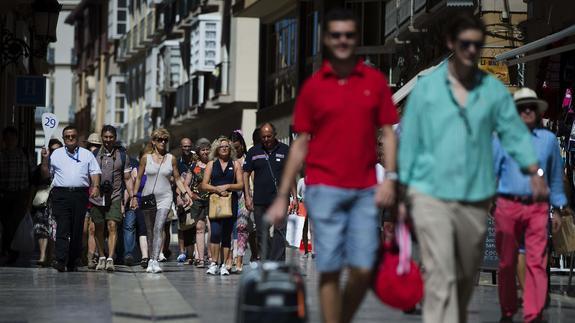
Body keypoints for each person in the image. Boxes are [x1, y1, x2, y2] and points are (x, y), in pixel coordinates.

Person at [398, 14, 548, 323]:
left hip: (473, 196)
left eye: (477, 45)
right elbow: (410, 140)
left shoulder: (491, 92)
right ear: (452, 44)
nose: (470, 50)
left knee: (465, 273)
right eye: (464, 43)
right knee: (440, 268)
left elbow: (513, 135)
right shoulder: (428, 90)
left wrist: (533, 171)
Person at [267, 8, 398, 323]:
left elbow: (389, 134)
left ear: (356, 39)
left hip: (366, 189)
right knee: (329, 267)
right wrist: (283, 194)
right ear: (326, 39)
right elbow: (300, 144)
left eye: (349, 35)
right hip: (323, 189)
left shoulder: (374, 82)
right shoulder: (314, 87)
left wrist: (391, 177)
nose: (343, 41)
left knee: (364, 267)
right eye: (336, 35)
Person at [493, 87, 565, 323]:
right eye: (521, 107)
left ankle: (533, 313)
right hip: (507, 205)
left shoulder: (548, 140)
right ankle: (508, 308)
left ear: (536, 110)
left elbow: (555, 177)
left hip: (537, 208)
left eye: (531, 106)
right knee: (506, 263)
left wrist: (559, 208)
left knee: (536, 261)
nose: (527, 110)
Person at [40, 125, 102, 272]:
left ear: (77, 137)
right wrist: (44, 159)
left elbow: (95, 172)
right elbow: (45, 175)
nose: (70, 139)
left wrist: (96, 187)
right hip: (61, 194)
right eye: (67, 137)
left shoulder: (87, 154)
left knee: (77, 229)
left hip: (80, 195)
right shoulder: (56, 154)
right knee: (62, 227)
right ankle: (60, 260)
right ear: (63, 138)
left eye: (73, 136)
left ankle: (73, 260)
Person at [131, 128, 192, 273]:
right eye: (160, 139)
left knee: (159, 226)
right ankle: (151, 258)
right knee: (150, 230)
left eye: (165, 140)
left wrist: (185, 193)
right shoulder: (146, 158)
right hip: (148, 197)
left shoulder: (172, 158)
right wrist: (134, 196)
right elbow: (139, 178)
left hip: (165, 197)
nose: (163, 142)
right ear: (153, 141)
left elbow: (177, 178)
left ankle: (155, 260)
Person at [243, 123, 295, 261]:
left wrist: (295, 197)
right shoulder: (254, 152)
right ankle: (266, 260)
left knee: (280, 230)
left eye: (269, 136)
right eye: (263, 137)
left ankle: (278, 261)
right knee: (262, 232)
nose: (266, 139)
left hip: (281, 198)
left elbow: (290, 174)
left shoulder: (285, 150)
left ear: (275, 134)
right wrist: (247, 196)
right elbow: (245, 174)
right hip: (260, 200)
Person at [90, 125, 133, 272]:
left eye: (111, 137)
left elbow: (127, 178)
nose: (108, 140)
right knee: (99, 228)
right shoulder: (94, 155)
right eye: (106, 137)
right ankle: (101, 256)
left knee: (112, 225)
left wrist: (132, 196)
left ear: (115, 138)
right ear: (102, 137)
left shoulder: (122, 156)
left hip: (114, 196)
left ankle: (110, 258)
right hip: (97, 198)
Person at [200, 136, 244, 276]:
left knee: (227, 235)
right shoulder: (211, 164)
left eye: (226, 146)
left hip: (231, 202)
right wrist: (217, 189)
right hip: (216, 203)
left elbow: (241, 184)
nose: (224, 148)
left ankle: (224, 264)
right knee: (215, 232)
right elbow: (204, 184)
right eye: (221, 146)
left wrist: (229, 186)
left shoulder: (235, 164)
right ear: (216, 150)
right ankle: (214, 263)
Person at [0, 126, 36, 265]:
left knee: (15, 225)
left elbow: (33, 176)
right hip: (4, 195)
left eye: (13, 138)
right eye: (7, 139)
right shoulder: (1, 155)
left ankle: (12, 252)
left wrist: (30, 197)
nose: (10, 141)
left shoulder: (25, 155)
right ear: (4, 140)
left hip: (20, 196)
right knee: (6, 225)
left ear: (17, 140)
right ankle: (8, 250)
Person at [32, 139, 63, 267]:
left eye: (58, 150)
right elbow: (40, 178)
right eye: (53, 150)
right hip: (43, 202)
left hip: (59, 201)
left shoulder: (65, 166)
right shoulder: (42, 166)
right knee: (42, 229)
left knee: (54, 230)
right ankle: (43, 255)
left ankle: (51, 255)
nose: (56, 152)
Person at [183, 138, 211, 268]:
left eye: (207, 149)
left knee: (212, 229)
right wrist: (191, 195)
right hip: (198, 201)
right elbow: (185, 184)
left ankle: (211, 256)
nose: (205, 152)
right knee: (200, 229)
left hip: (212, 200)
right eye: (203, 150)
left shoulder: (214, 164)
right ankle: (200, 258)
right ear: (199, 152)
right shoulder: (194, 166)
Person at [230, 130, 249, 273]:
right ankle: (229, 258)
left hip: (244, 195)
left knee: (242, 227)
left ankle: (240, 260)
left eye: (238, 147)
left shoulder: (248, 159)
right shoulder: (227, 161)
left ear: (242, 145)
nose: (236, 150)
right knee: (230, 228)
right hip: (229, 196)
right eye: (233, 148)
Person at [176, 137, 196, 263]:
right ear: (181, 147)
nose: (187, 148)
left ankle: (192, 251)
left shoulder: (195, 161)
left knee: (194, 224)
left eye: (189, 146)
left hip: (194, 195)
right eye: (184, 146)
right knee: (182, 224)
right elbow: (175, 179)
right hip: (181, 196)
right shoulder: (178, 163)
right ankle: (182, 251)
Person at [84, 133, 101, 269]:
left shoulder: (102, 159)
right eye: (91, 145)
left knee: (92, 230)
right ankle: (83, 254)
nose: (93, 148)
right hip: (83, 198)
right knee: (83, 230)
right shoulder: (83, 158)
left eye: (97, 146)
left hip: (96, 199)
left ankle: (91, 256)